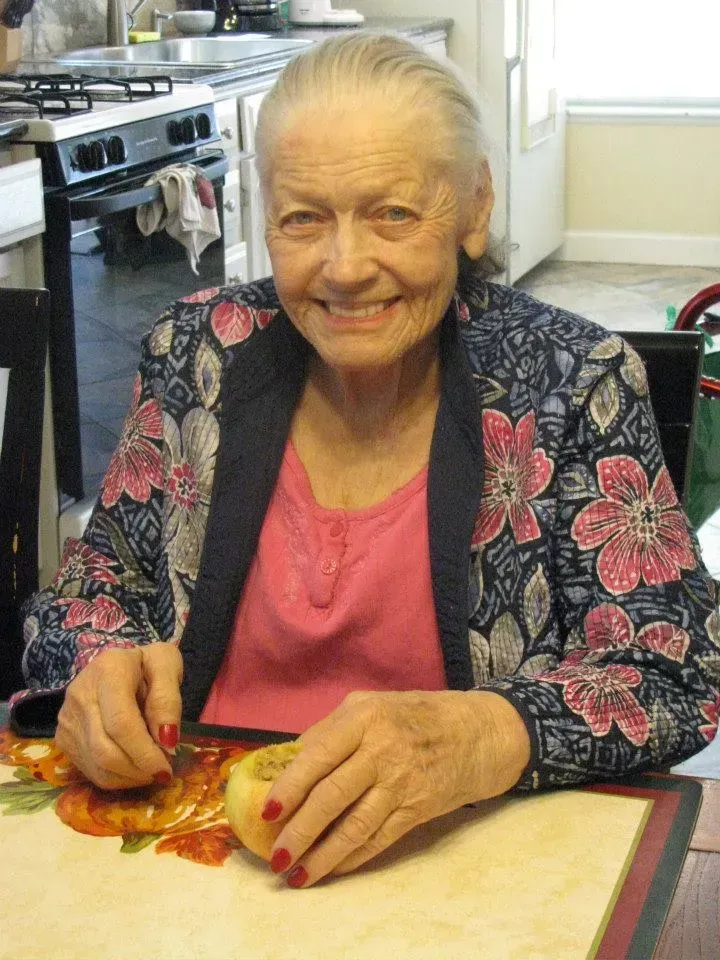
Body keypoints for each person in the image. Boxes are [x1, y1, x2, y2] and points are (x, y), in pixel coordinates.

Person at [10, 33, 720, 889]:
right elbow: (90, 594)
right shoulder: (197, 351)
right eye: (303, 218)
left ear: (472, 206)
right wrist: (99, 671)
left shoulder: (573, 382)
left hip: (459, 866)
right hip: (194, 851)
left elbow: (675, 673)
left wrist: (484, 734)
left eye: (393, 213)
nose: (345, 270)